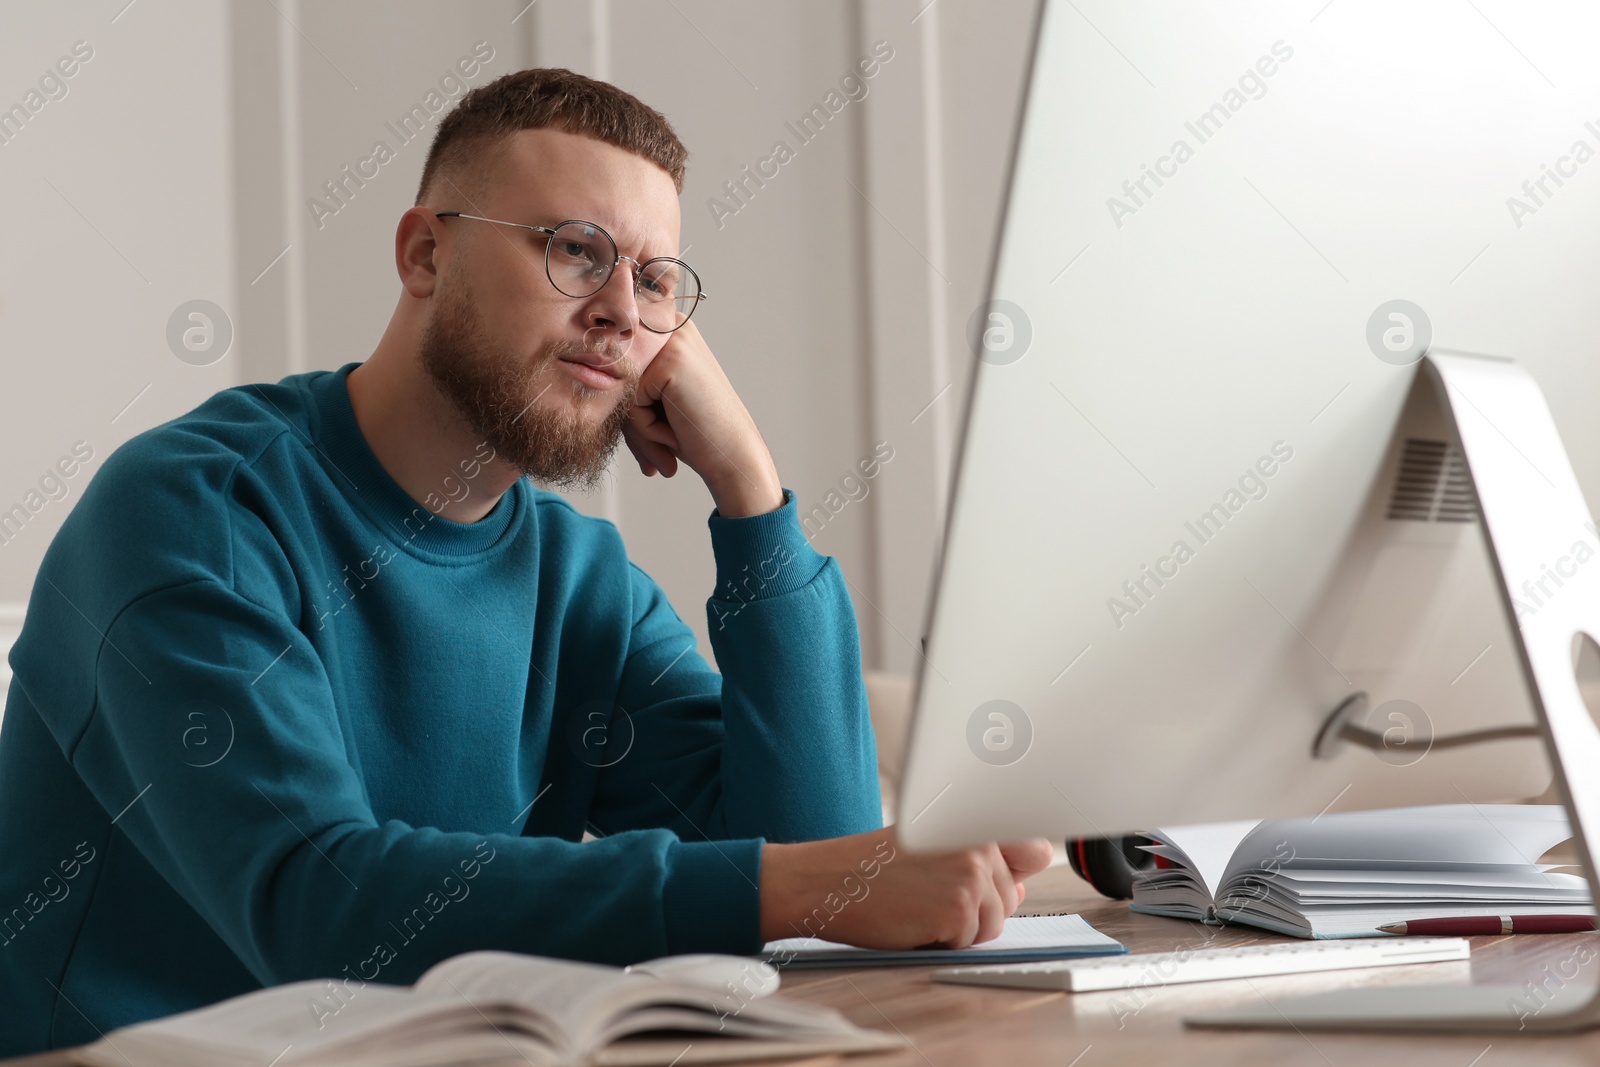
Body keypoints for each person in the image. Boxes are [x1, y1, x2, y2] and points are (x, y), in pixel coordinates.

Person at [0, 67, 1052, 1054]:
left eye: (654, 280)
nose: (622, 312)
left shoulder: (578, 579)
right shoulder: (190, 509)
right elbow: (316, 904)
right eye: (576, 250)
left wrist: (752, 494)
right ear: (424, 254)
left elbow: (817, 877)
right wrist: (789, 884)